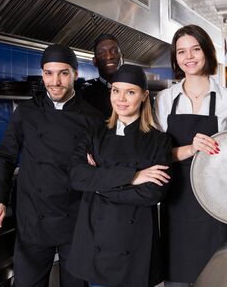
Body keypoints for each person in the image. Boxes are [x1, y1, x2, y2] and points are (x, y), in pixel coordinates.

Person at [0, 44, 103, 287]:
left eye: (63, 73)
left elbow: (102, 166)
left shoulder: (93, 118)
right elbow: (6, 156)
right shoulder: (26, 112)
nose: (55, 81)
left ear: (75, 75)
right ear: (42, 74)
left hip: (75, 218)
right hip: (33, 217)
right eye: (49, 73)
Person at [153, 25, 227, 286]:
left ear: (207, 51)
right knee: (178, 278)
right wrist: (191, 149)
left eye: (195, 49)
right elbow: (158, 156)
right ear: (175, 58)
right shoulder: (164, 99)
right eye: (181, 51)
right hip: (176, 202)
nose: (188, 57)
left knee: (218, 277)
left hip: (217, 202)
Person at [67, 64, 172, 287]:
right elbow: (77, 176)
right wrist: (133, 177)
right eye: (116, 90)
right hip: (97, 245)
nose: (121, 98)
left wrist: (98, 184)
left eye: (130, 92)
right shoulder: (93, 134)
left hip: (135, 250)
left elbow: (153, 192)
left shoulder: (158, 140)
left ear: (144, 96)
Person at [81, 33, 123, 118]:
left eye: (114, 51)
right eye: (101, 53)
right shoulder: (85, 96)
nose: (108, 56)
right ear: (94, 61)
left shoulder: (136, 91)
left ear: (122, 57)